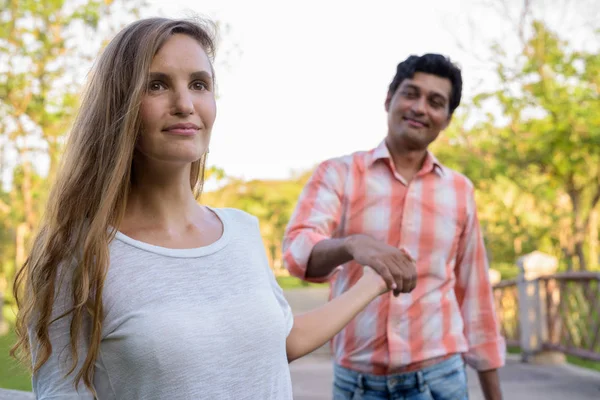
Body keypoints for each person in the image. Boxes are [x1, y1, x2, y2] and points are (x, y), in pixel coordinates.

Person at [11, 17, 402, 400]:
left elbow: (282, 341)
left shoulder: (243, 231)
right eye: (157, 85)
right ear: (119, 103)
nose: (184, 104)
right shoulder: (77, 252)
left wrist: (374, 282)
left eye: (199, 84)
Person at [283, 54, 505, 400]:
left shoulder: (461, 190)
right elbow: (298, 254)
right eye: (410, 94)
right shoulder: (338, 174)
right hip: (358, 384)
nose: (419, 107)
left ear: (446, 120)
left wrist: (494, 395)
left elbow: (475, 293)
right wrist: (352, 244)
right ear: (389, 99)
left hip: (441, 380)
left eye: (435, 102)